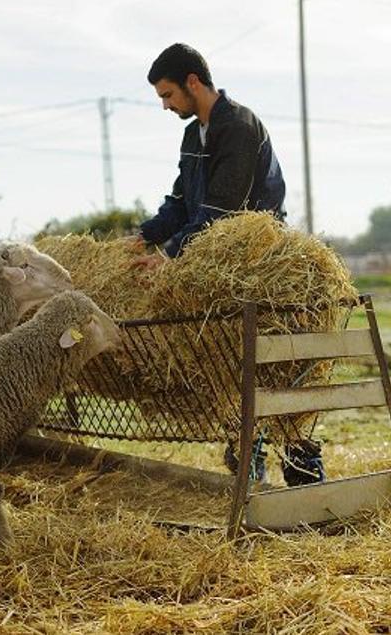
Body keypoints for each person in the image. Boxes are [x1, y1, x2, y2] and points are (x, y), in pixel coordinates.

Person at [129, 43, 323, 486]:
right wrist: (145, 236)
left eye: (168, 95)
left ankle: (308, 489)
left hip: (259, 266)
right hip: (217, 271)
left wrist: (171, 257)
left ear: (193, 82)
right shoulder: (193, 132)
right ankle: (249, 485)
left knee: (279, 377)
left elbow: (222, 212)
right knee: (233, 375)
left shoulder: (238, 127)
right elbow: (181, 201)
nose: (165, 105)